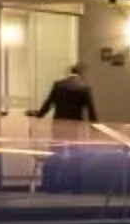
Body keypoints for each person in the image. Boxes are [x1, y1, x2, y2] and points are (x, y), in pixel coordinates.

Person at [31, 64, 99, 192]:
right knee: (75, 155)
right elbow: (90, 110)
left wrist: (39, 115)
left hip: (58, 125)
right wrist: (94, 128)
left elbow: (49, 103)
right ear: (81, 73)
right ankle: (74, 186)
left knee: (55, 153)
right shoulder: (84, 88)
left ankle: (50, 186)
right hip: (74, 126)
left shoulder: (58, 85)